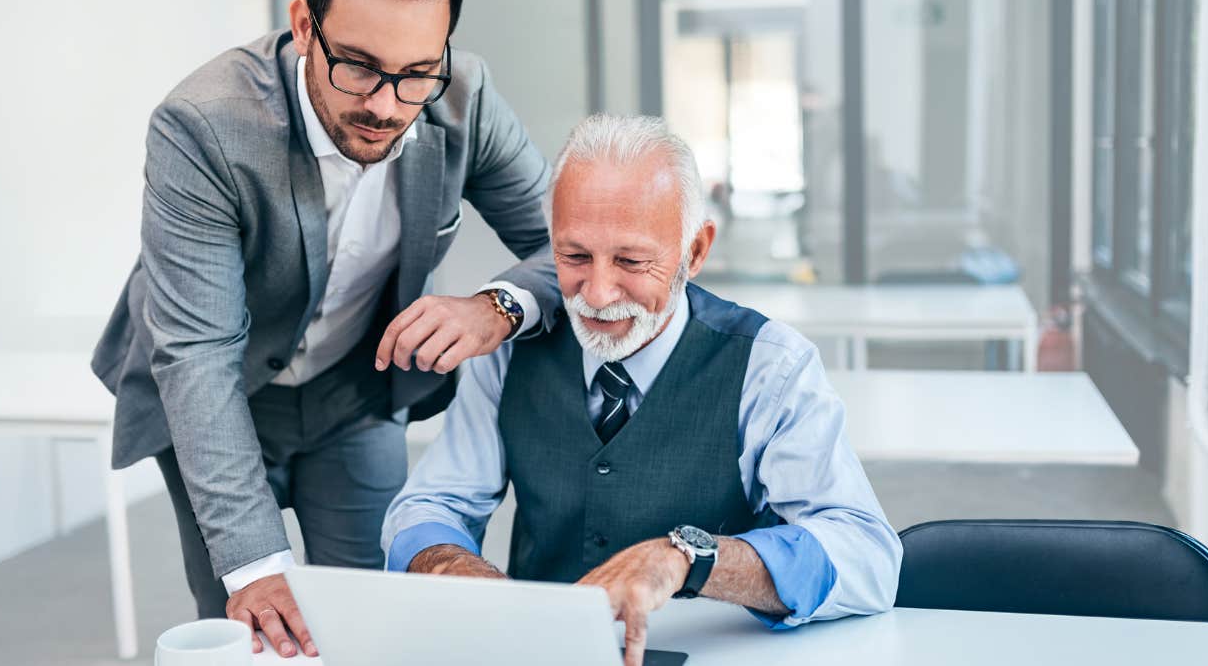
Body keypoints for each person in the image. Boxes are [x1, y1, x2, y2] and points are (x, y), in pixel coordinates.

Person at [91, 0, 559, 658]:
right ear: (304, 25)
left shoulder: (464, 96)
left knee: (371, 610)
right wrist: (259, 567)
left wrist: (498, 306)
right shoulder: (203, 126)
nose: (385, 104)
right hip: (221, 391)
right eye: (360, 66)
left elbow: (563, 245)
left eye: (415, 74)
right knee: (250, 621)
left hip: (354, 389)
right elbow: (200, 356)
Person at [381, 114, 902, 666]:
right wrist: (450, 566)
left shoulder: (770, 366)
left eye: (631, 261)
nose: (599, 295)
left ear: (695, 252)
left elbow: (867, 555)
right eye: (574, 256)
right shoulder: (508, 355)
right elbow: (432, 504)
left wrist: (690, 559)